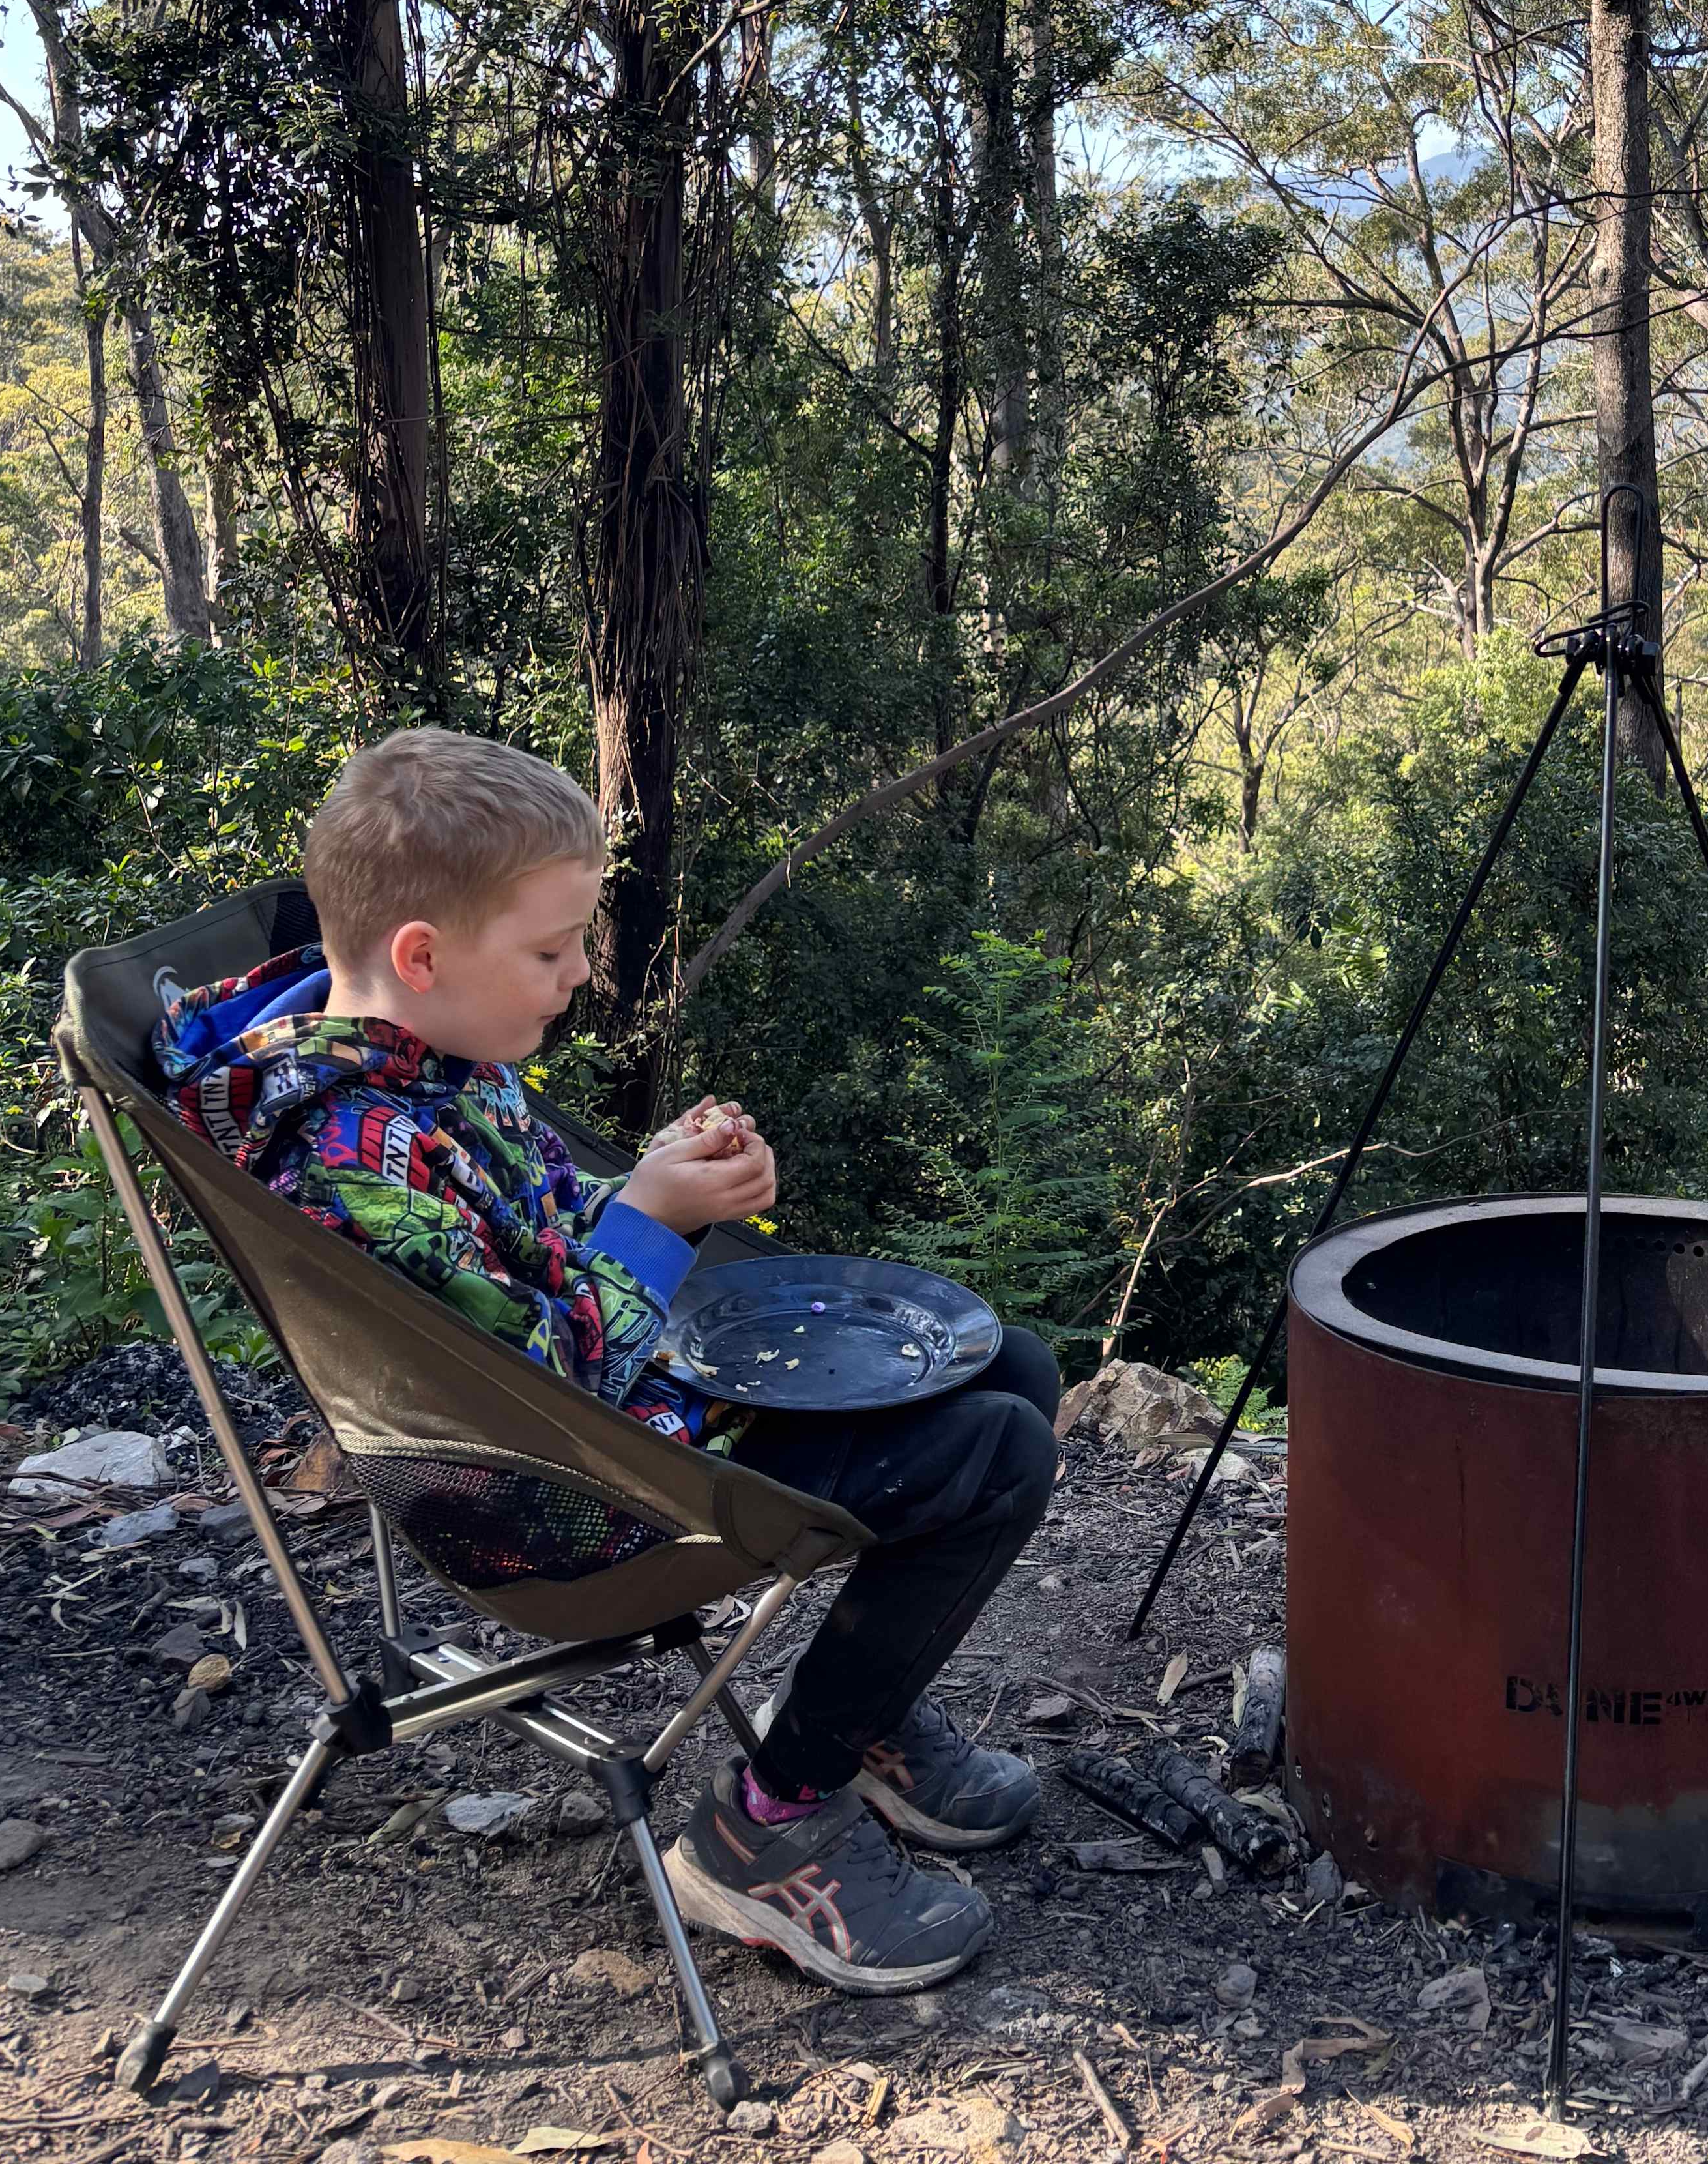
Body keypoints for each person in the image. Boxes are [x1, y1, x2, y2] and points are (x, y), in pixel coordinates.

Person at [155, 726, 1060, 1998]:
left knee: (1011, 1368)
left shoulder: (431, 1058)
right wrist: (649, 1222)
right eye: (550, 950)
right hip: (557, 1498)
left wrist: (656, 1183)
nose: (581, 972)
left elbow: (538, 1235)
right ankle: (766, 1832)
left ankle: (859, 1717)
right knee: (995, 1452)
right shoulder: (351, 1157)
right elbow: (534, 1389)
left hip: (610, 1414)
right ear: (420, 956)